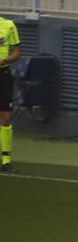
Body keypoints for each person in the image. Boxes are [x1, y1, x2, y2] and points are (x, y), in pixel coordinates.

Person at [0, 14, 21, 173]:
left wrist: (5, 60)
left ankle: (6, 160)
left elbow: (17, 52)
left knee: (5, 117)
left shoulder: (8, 25)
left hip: (3, 75)